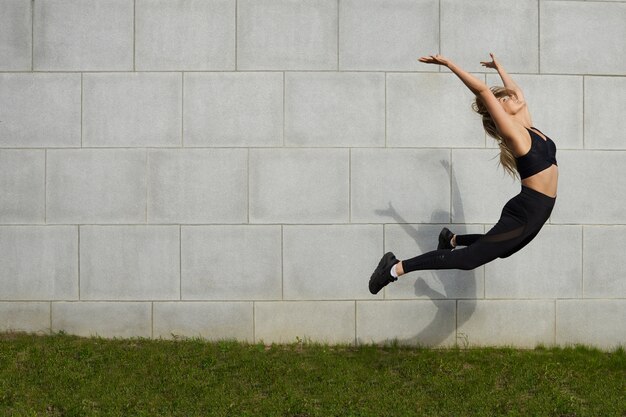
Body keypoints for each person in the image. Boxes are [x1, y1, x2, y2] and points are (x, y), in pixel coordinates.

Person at [369, 53, 558, 295]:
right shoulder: (514, 134)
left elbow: (517, 92)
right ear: (500, 112)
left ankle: (452, 240)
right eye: (504, 99)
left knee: (503, 248)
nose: (512, 96)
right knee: (469, 260)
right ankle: (396, 268)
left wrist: (500, 67)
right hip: (527, 211)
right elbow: (482, 91)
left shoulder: (528, 126)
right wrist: (449, 64)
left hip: (540, 209)